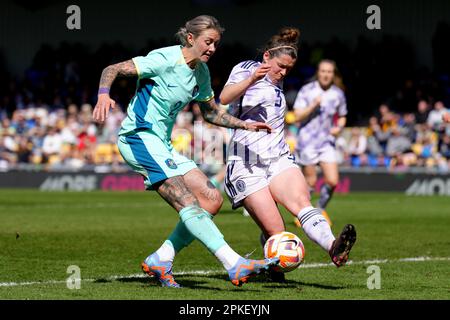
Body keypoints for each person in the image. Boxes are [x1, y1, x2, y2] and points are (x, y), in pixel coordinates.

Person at [92, 15, 278, 288]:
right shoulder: (164, 59)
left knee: (211, 199)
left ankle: (161, 258)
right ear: (190, 38)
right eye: (208, 42)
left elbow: (211, 112)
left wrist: (244, 124)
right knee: (187, 202)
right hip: (138, 138)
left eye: (216, 44)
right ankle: (234, 264)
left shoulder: (200, 73)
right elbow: (113, 69)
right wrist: (103, 94)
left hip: (162, 145)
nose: (212, 48)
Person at [219, 27, 356, 282]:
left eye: (288, 69)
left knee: (302, 204)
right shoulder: (247, 68)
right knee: (277, 231)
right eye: (280, 66)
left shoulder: (277, 77)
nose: (283, 73)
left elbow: (284, 55)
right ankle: (274, 264)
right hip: (246, 163)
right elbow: (224, 98)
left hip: (278, 157)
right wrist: (251, 79)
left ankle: (333, 247)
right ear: (267, 56)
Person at [292, 59, 348, 226]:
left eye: (329, 72)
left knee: (333, 181)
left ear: (333, 74)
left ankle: (320, 209)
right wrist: (313, 105)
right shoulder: (307, 90)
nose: (326, 75)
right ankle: (303, 214)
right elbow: (297, 116)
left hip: (326, 143)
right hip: (307, 142)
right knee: (310, 182)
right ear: (318, 72)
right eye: (323, 71)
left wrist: (339, 127)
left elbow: (343, 115)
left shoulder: (338, 93)